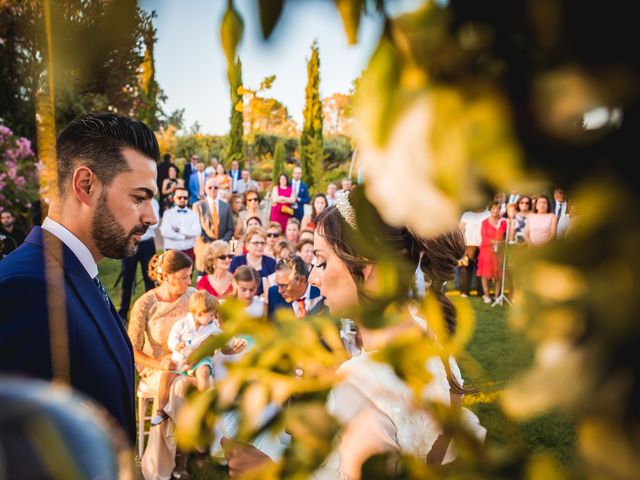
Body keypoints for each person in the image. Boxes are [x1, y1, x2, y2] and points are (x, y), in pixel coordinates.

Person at [224, 191, 485, 478]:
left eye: (322, 261)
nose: (312, 276)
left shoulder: (360, 385)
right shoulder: (433, 344)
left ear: (367, 268)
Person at [0, 113, 160, 444]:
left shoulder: (78, 270)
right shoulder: (28, 289)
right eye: (139, 197)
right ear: (86, 185)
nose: (152, 217)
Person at [127, 250, 195, 478]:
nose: (189, 281)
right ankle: (176, 460)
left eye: (190, 276)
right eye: (184, 277)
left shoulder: (193, 296)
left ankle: (176, 451)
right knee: (179, 388)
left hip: (188, 365)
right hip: (154, 367)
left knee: (184, 384)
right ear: (166, 276)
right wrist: (158, 363)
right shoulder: (145, 303)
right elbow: (132, 350)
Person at [152, 291, 223, 426]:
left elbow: (223, 336)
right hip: (180, 359)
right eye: (211, 315)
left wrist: (233, 341)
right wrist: (176, 345)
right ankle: (161, 410)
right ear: (200, 314)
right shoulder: (182, 324)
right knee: (165, 376)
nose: (214, 318)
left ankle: (203, 406)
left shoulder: (211, 326)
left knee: (204, 372)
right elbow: (172, 338)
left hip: (200, 359)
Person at [118, 197, 160, 319]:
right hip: (131, 242)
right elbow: (125, 221)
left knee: (150, 277)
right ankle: (123, 312)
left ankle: (151, 310)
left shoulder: (153, 202)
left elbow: (154, 223)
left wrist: (137, 221)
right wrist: (143, 221)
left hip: (147, 243)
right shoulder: (129, 200)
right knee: (127, 277)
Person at [193, 178, 235, 275]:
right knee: (204, 279)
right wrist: (211, 245)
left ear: (219, 188)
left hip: (222, 250)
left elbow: (230, 228)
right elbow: (197, 229)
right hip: (205, 249)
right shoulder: (198, 206)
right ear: (205, 189)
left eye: (215, 187)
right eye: (210, 187)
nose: (213, 189)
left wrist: (221, 243)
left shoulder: (226, 206)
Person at [267, 254, 324, 320]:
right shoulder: (274, 294)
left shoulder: (322, 292)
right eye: (278, 284)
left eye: (284, 286)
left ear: (302, 280)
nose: (279, 290)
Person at [229, 227, 276, 297]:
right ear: (247, 245)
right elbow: (231, 284)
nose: (260, 246)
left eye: (262, 243)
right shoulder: (237, 261)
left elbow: (274, 286)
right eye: (256, 243)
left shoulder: (271, 262)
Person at [160, 187, 201, 262]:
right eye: (179, 197)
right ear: (174, 198)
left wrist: (179, 230)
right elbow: (165, 232)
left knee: (188, 273)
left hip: (189, 251)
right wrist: (183, 236)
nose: (182, 200)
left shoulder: (193, 214)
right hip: (171, 251)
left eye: (185, 197)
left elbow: (197, 231)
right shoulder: (168, 214)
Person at [477, 201, 507, 303]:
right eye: (493, 208)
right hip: (486, 251)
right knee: (485, 274)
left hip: (499, 252)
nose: (495, 210)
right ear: (490, 210)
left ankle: (496, 295)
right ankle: (486, 295)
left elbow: (507, 236)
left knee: (498, 274)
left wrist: (502, 243)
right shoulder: (484, 222)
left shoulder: (503, 222)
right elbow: (484, 237)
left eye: (497, 208)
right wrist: (497, 242)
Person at [458, 206, 489, 298]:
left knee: (482, 269)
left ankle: (482, 292)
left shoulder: (488, 213)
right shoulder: (466, 215)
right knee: (466, 268)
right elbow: (460, 230)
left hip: (484, 245)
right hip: (469, 244)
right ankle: (464, 292)